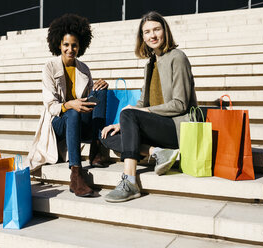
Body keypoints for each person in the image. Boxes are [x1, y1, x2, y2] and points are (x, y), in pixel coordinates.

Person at [101, 11, 198, 203]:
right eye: (147, 32)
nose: (152, 35)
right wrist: (121, 124)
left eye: (156, 29)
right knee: (106, 134)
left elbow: (180, 104)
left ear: (165, 31)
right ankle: (156, 152)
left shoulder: (177, 57)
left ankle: (129, 181)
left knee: (129, 113)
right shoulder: (151, 63)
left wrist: (137, 113)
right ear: (142, 37)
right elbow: (142, 103)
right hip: (156, 127)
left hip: (176, 127)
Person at [26, 14, 108, 197]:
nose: (70, 49)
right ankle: (76, 173)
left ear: (80, 46)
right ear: (59, 45)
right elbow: (51, 107)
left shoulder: (84, 69)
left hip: (79, 120)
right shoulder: (49, 67)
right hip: (58, 123)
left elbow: (87, 102)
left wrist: (97, 89)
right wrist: (69, 104)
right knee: (72, 112)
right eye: (66, 45)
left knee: (101, 91)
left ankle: (96, 148)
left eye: (74, 45)